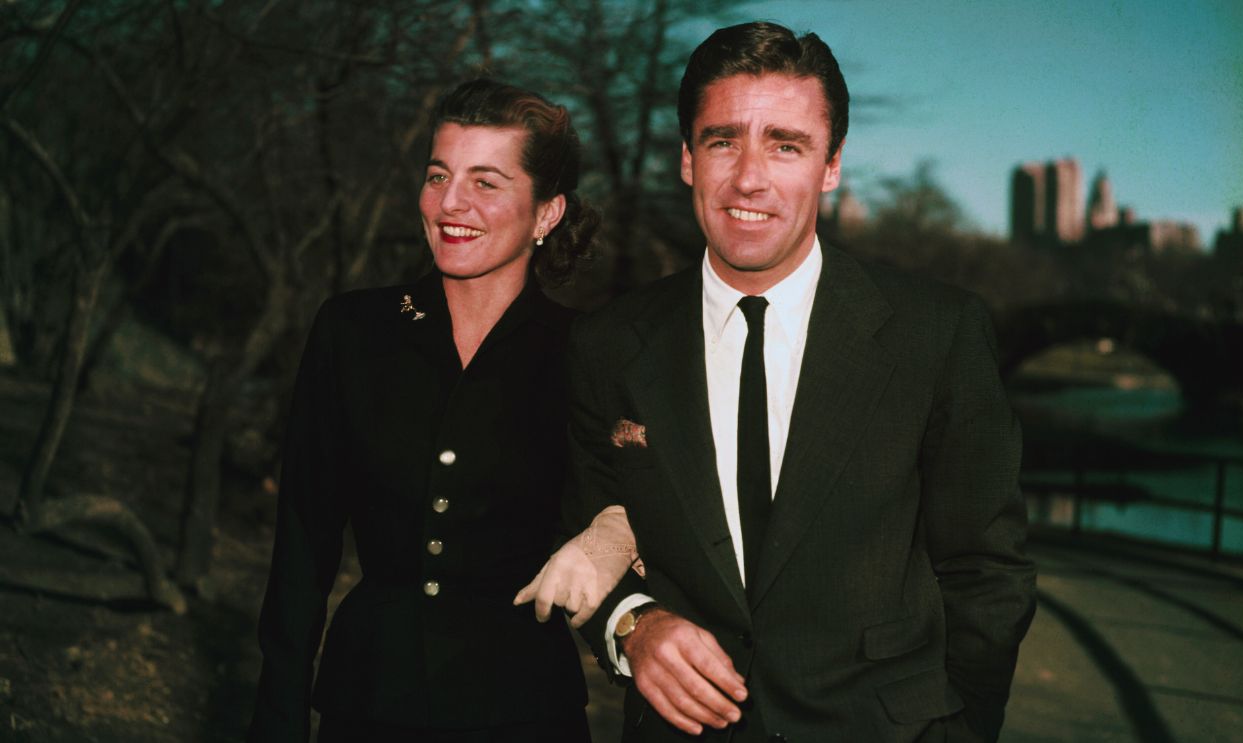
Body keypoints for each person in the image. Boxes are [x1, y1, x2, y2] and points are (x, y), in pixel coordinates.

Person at [560, 22, 1037, 743]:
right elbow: (577, 519)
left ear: (831, 165)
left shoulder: (935, 332)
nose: (748, 177)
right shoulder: (607, 345)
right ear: (687, 160)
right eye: (722, 140)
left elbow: (985, 568)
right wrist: (631, 624)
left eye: (785, 144)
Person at [248, 78, 599, 743]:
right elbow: (302, 542)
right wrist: (278, 715)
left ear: (546, 214)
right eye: (438, 175)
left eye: (485, 183)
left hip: (525, 713)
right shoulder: (351, 331)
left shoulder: (586, 351)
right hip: (369, 703)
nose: (449, 203)